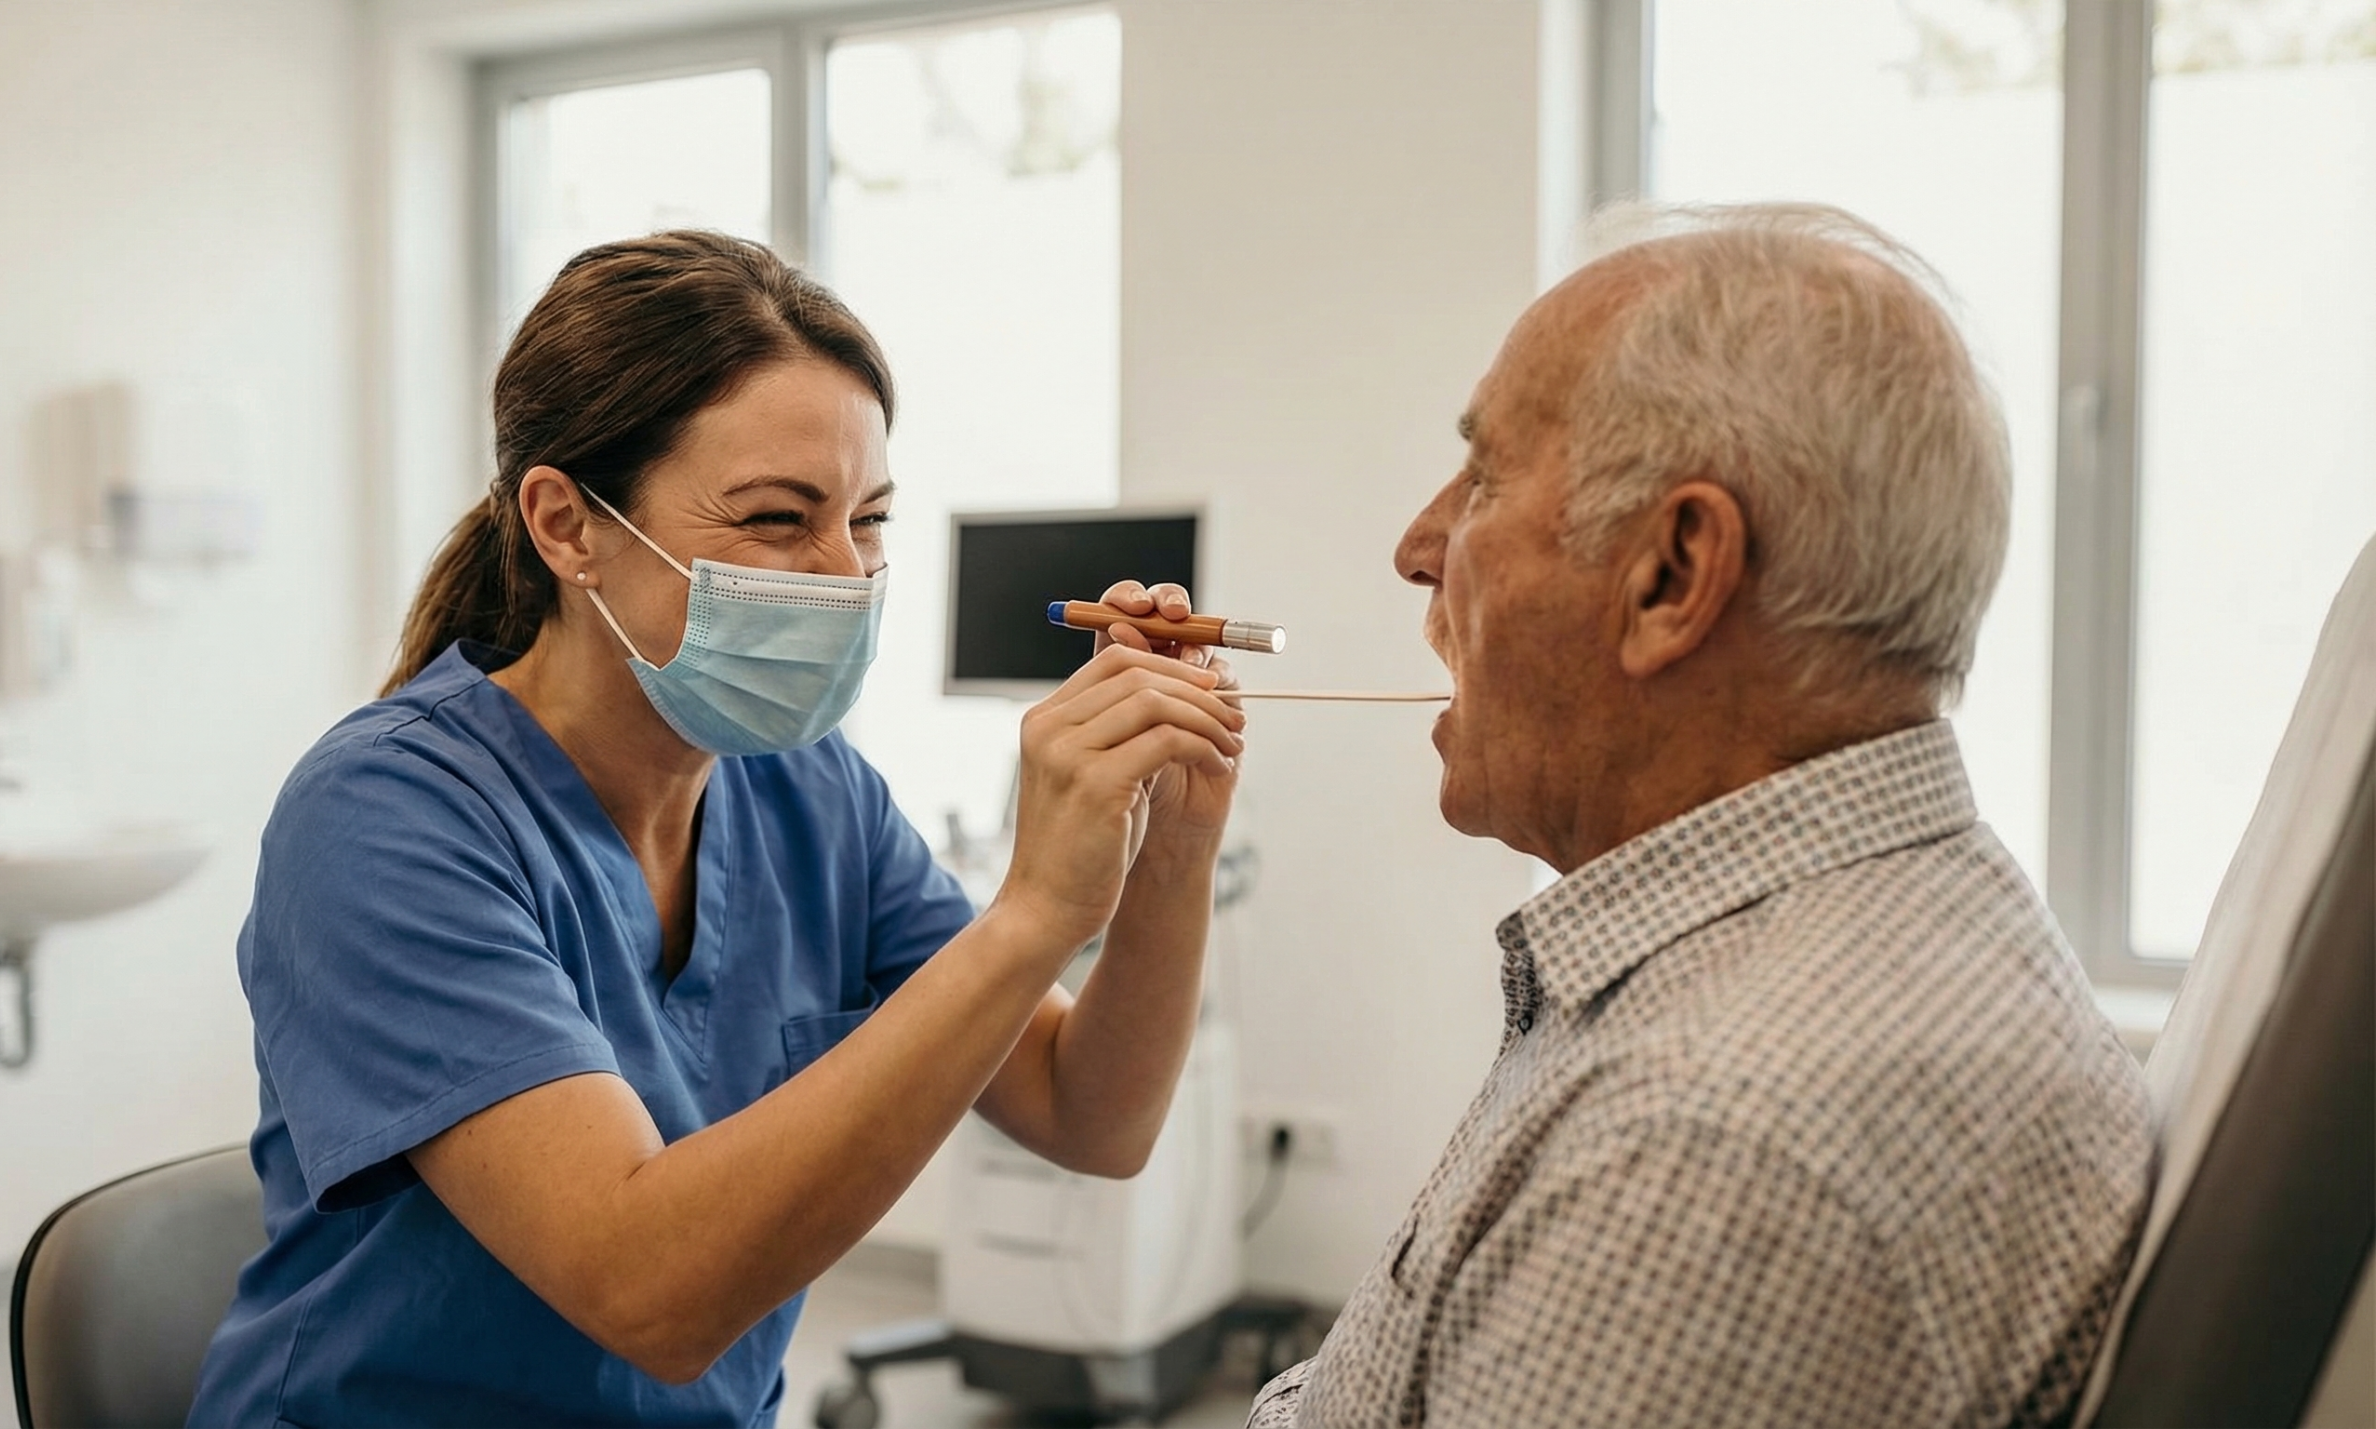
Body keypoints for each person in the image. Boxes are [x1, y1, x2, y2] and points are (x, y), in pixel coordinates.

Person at [189, 231, 1246, 1427]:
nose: (844, 574)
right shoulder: (385, 818)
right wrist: (1034, 915)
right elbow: (652, 1296)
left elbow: (1091, 1116)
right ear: (566, 524)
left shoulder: (813, 791)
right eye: (779, 518)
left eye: (871, 518)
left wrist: (1172, 838)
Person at [1247, 204, 2154, 1428]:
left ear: (1672, 574)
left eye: (1485, 476)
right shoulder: (1869, 937)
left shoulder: (1708, 1149)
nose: (1418, 546)